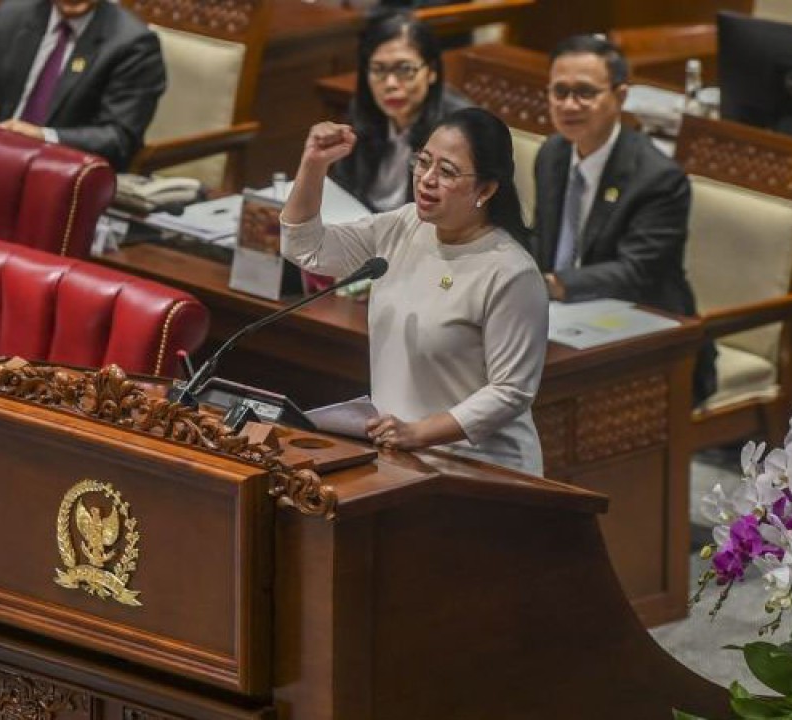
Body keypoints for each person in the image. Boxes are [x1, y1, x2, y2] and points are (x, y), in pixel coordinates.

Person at [282, 107, 548, 475]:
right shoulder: (403, 227)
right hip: (401, 457)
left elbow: (511, 391)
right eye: (423, 163)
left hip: (481, 468)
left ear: (485, 189)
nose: (426, 179)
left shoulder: (511, 272)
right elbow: (306, 249)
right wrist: (313, 165)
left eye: (447, 172)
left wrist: (420, 432)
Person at [528, 34, 716, 403]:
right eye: (559, 91)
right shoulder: (552, 154)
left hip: (651, 343)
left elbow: (635, 273)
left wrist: (551, 284)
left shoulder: (658, 177)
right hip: (561, 327)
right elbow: (542, 241)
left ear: (620, 96)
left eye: (584, 92)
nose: (569, 105)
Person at [0, 0, 166, 171]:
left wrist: (44, 137)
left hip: (64, 177)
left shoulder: (133, 44)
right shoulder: (15, 14)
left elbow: (118, 138)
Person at [329, 11, 470, 213]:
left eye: (405, 69)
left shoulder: (459, 129)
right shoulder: (363, 110)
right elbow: (343, 186)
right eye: (378, 69)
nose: (391, 84)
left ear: (431, 72)